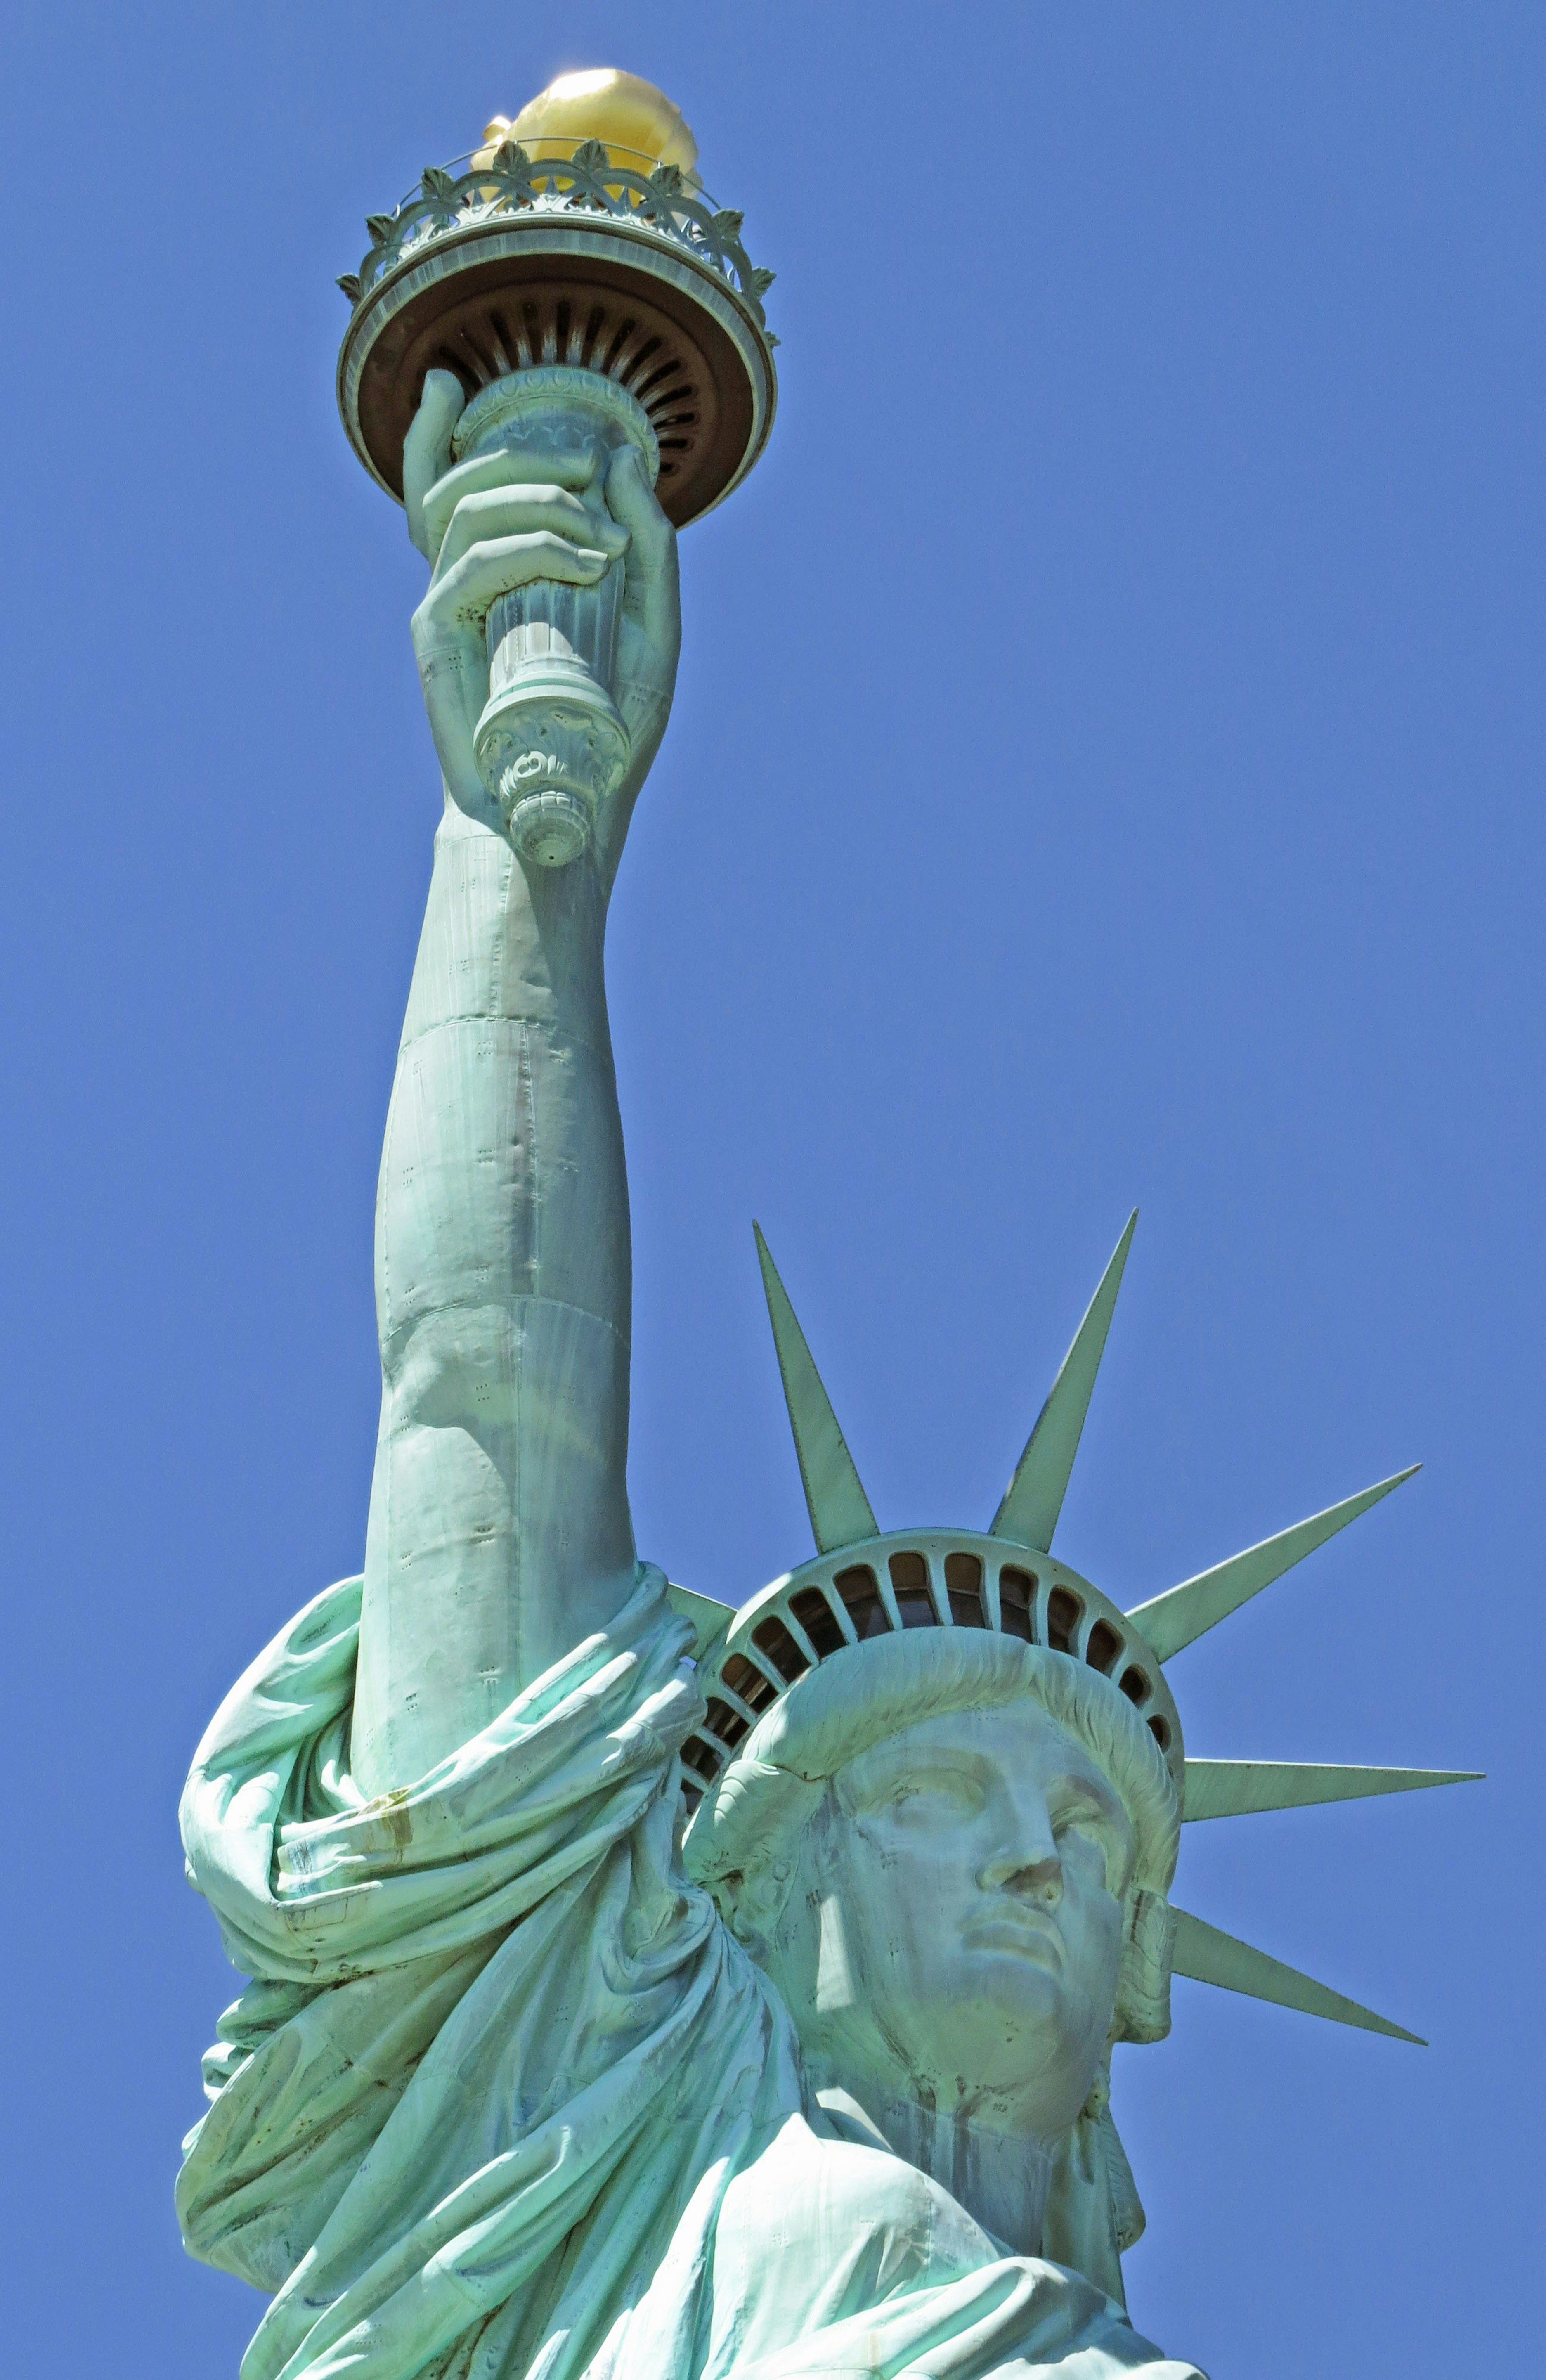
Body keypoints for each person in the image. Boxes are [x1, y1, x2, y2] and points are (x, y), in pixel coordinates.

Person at [177, 371, 1206, 2380]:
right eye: (941, 1785)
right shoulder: (590, 2124)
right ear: (758, 1863)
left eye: (1092, 1836)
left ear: (1147, 1962)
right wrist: (519, 832)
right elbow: (482, 1391)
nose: (1032, 1855)